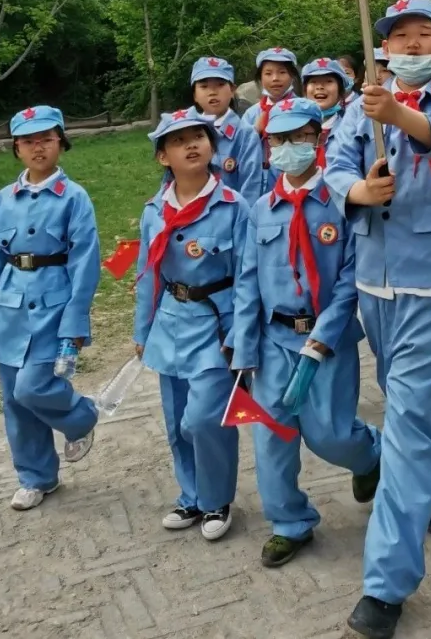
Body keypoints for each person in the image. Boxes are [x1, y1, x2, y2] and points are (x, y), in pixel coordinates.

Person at [324, 0, 431, 639]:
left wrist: (401, 115)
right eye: (400, 38)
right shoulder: (361, 108)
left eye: (424, 36)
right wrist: (357, 190)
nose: (412, 47)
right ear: (383, 46)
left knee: (408, 417)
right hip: (373, 282)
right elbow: (332, 165)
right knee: (404, 399)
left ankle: (384, 587)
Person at [231, 97, 382, 568]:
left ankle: (370, 456)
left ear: (317, 140)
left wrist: (324, 334)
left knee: (330, 434)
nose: (288, 147)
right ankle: (289, 522)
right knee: (271, 436)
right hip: (274, 341)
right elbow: (247, 281)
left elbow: (351, 276)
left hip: (328, 341)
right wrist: (243, 344)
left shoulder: (341, 202)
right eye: (278, 139)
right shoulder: (261, 209)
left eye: (299, 137)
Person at [0, 106, 99, 510]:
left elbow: (85, 264)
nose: (38, 148)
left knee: (33, 387)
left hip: (54, 309)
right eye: (28, 141)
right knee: (15, 401)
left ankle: (81, 417)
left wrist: (75, 324)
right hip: (9, 310)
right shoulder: (3, 200)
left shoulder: (74, 198)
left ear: (61, 143)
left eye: (46, 139)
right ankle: (37, 477)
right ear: (16, 148)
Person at [134, 110, 249, 540]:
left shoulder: (234, 207)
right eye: (179, 141)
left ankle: (217, 498)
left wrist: (241, 336)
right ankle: (192, 496)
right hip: (170, 322)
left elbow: (248, 277)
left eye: (199, 136)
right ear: (163, 156)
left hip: (217, 326)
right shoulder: (154, 211)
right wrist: (141, 332)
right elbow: (148, 274)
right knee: (176, 418)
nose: (192, 145)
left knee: (203, 419)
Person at [189, 56, 263, 205]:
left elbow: (251, 188)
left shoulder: (245, 134)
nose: (212, 92)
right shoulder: (185, 133)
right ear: (194, 95)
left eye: (220, 85)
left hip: (232, 217)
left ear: (232, 90)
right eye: (204, 86)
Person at [243, 48, 302, 194]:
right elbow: (241, 148)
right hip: (256, 183)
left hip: (293, 179)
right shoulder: (252, 113)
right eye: (268, 73)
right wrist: (255, 131)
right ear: (260, 78)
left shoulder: (303, 109)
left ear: (292, 76)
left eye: (282, 72)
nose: (275, 78)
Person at [301, 57, 351, 165]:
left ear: (341, 90)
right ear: (305, 91)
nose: (320, 87)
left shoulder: (350, 126)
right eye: (313, 82)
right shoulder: (294, 126)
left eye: (328, 81)